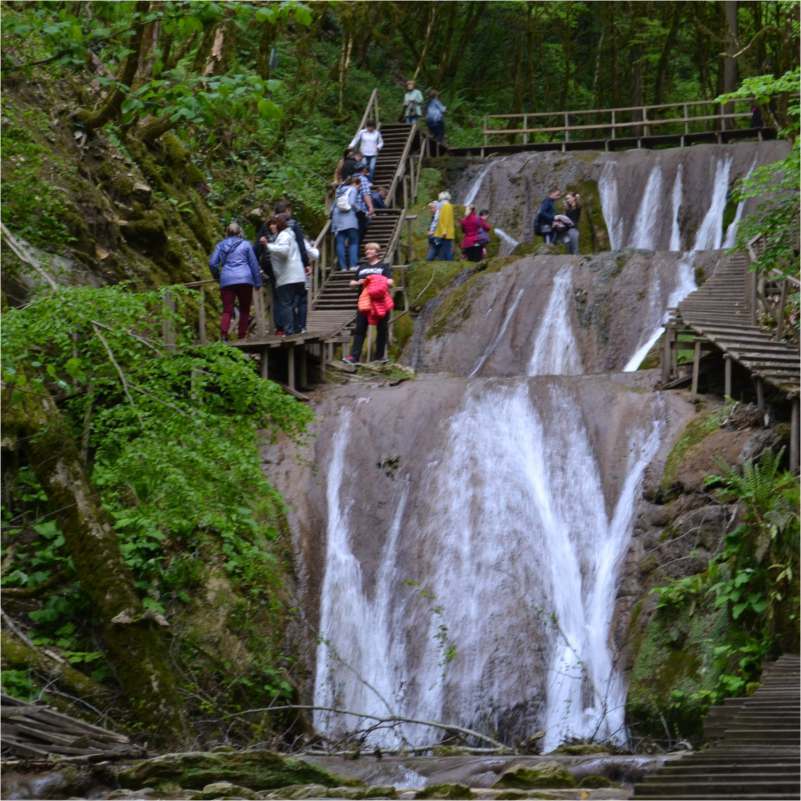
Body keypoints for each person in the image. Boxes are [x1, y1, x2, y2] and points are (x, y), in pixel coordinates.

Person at [342, 242, 394, 365]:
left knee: (382, 329)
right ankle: (354, 357)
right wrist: (359, 282)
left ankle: (380, 357)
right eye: (366, 250)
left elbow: (390, 281)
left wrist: (378, 280)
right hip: (364, 303)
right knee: (360, 329)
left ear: (376, 252)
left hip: (380, 303)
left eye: (370, 250)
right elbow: (351, 283)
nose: (367, 252)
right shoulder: (361, 267)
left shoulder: (383, 267)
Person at [209, 221, 262, 342]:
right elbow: (254, 264)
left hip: (227, 280)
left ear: (226, 233)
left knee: (227, 309)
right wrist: (258, 282)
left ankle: (223, 336)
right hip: (245, 280)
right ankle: (241, 336)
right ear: (239, 232)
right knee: (244, 308)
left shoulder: (220, 245)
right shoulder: (246, 245)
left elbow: (212, 263)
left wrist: (218, 276)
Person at [267, 213, 307, 335]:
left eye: (273, 224)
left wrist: (268, 246)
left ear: (278, 225)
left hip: (288, 276)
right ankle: (298, 328)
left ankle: (289, 331)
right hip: (296, 276)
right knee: (292, 304)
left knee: (286, 304)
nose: (271, 227)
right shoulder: (290, 235)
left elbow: (284, 251)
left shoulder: (284, 235)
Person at [331, 179, 360, 271]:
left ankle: (343, 267)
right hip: (349, 219)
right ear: (354, 183)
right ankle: (353, 265)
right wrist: (359, 210)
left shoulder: (339, 190)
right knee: (353, 242)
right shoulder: (353, 189)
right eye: (359, 186)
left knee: (340, 243)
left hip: (337, 221)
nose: (359, 188)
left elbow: (333, 207)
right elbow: (352, 203)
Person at [274, 200, 309, 270]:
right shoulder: (293, 224)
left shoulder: (268, 223)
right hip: (291, 263)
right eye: (290, 210)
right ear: (287, 210)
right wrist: (305, 263)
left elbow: (258, 246)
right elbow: (300, 245)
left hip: (274, 264)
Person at [353, 166, 375, 248]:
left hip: (350, 211)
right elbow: (365, 194)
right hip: (360, 209)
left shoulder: (349, 178)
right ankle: (356, 252)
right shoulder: (363, 179)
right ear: (363, 170)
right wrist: (370, 207)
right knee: (361, 229)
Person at [431, 190, 455, 260]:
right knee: (445, 248)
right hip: (445, 231)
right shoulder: (446, 206)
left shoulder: (446, 206)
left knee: (446, 249)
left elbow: (445, 219)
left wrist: (444, 231)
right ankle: (446, 261)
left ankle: (449, 263)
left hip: (445, 232)